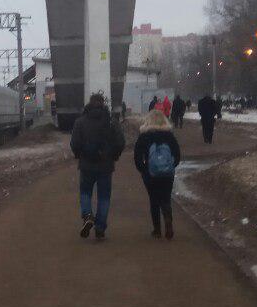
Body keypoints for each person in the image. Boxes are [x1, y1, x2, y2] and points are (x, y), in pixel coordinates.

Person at [70, 93, 126, 242]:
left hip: (86, 165)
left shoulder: (80, 122)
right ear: (103, 104)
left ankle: (88, 216)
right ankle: (100, 229)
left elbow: (74, 143)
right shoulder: (111, 122)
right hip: (106, 166)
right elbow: (121, 142)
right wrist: (114, 155)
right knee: (104, 197)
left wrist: (79, 155)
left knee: (85, 192)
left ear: (90, 103)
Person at [134, 109, 181, 239]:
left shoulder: (144, 135)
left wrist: (143, 169)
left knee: (154, 199)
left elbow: (137, 156)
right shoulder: (169, 135)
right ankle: (167, 217)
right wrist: (171, 166)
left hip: (150, 173)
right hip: (167, 173)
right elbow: (177, 154)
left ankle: (157, 229)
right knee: (165, 197)